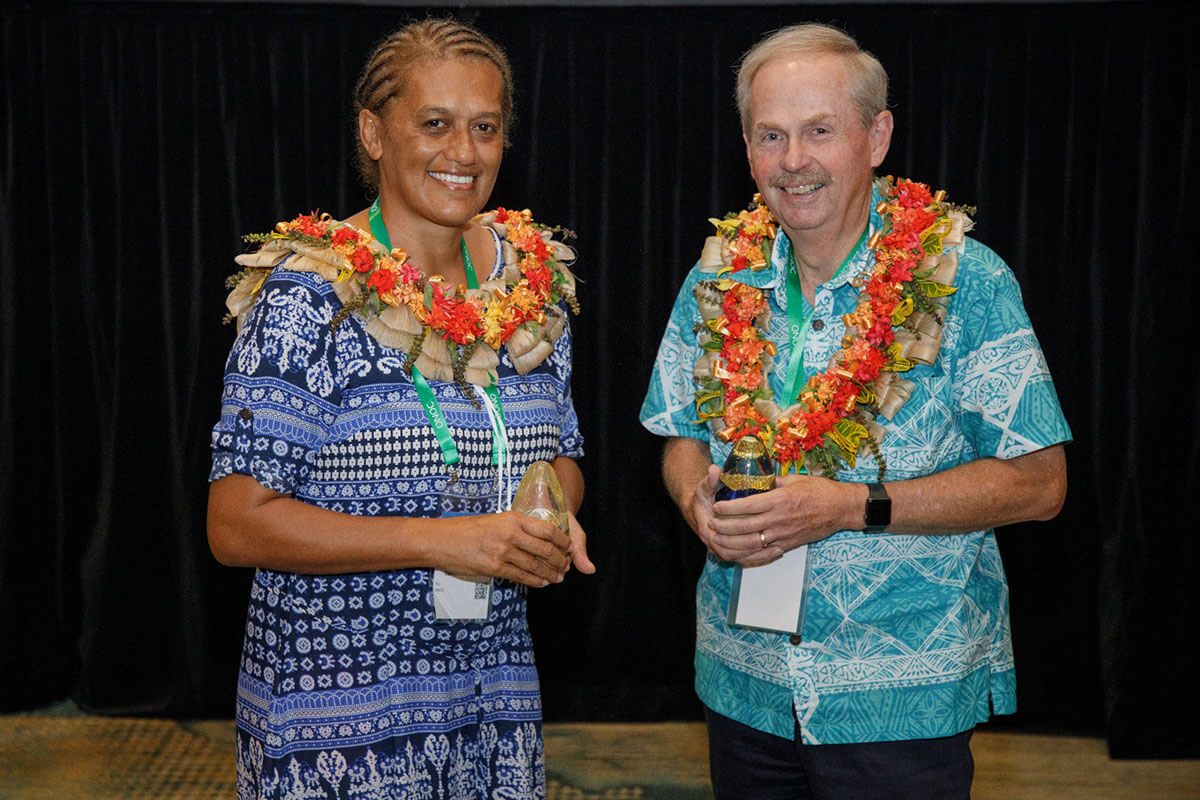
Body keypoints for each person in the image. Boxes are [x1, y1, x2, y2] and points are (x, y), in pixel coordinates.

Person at [639, 22, 1070, 799]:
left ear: (876, 137)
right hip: (744, 684)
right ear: (747, 149)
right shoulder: (718, 276)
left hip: (900, 697)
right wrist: (692, 498)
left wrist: (849, 506)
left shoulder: (966, 281)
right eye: (771, 135)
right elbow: (678, 437)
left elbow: (1040, 483)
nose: (793, 160)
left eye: (819, 131)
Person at [207, 19, 592, 799]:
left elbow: (563, 454)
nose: (464, 153)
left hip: (491, 701)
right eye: (435, 123)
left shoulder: (531, 285)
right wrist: (441, 541)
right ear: (374, 133)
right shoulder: (309, 296)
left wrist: (546, 511)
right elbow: (235, 524)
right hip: (337, 720)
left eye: (485, 127)